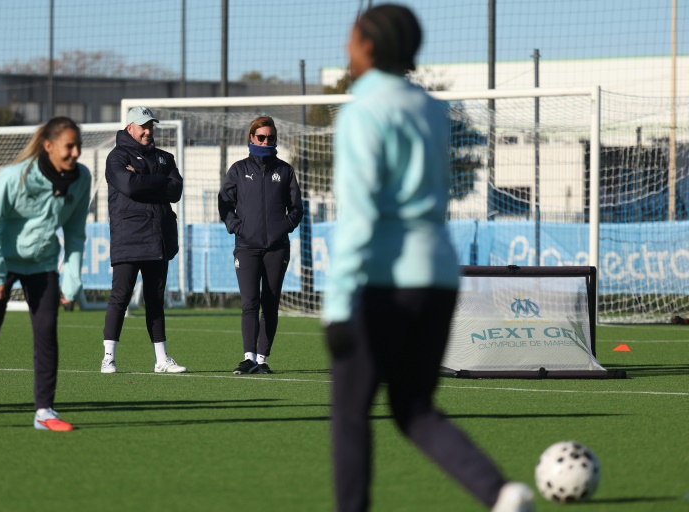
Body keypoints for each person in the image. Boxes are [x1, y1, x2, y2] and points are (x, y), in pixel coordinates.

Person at [322, 5, 535, 512]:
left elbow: (360, 213)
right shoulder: (430, 108)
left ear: (369, 45)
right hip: (439, 275)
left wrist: (335, 302)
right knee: (413, 407)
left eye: (351, 37)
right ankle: (501, 493)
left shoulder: (363, 110)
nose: (346, 47)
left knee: (351, 411)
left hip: (384, 280)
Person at [0, 116, 91, 432]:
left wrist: (71, 279)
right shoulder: (13, 176)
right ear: (48, 146)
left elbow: (74, 232)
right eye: (69, 147)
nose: (75, 153)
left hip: (42, 265)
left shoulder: (82, 177)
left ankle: (44, 412)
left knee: (47, 334)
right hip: (0, 262)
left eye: (78, 146)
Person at [100, 106, 186, 374]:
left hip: (158, 238)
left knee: (155, 299)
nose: (148, 131)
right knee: (120, 297)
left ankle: (162, 359)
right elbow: (129, 186)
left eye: (151, 126)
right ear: (130, 129)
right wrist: (157, 182)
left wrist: (144, 178)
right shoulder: (116, 157)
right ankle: (108, 358)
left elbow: (176, 190)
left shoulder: (165, 158)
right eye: (143, 126)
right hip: (128, 237)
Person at [218, 116, 303, 374]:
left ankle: (263, 359)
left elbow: (297, 208)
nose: (266, 142)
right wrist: (237, 227)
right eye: (261, 137)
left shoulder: (285, 171)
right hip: (246, 247)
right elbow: (224, 204)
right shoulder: (238, 169)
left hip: (277, 249)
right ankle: (249, 358)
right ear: (251, 138)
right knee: (249, 303)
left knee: (271, 303)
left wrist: (283, 228)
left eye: (270, 138)